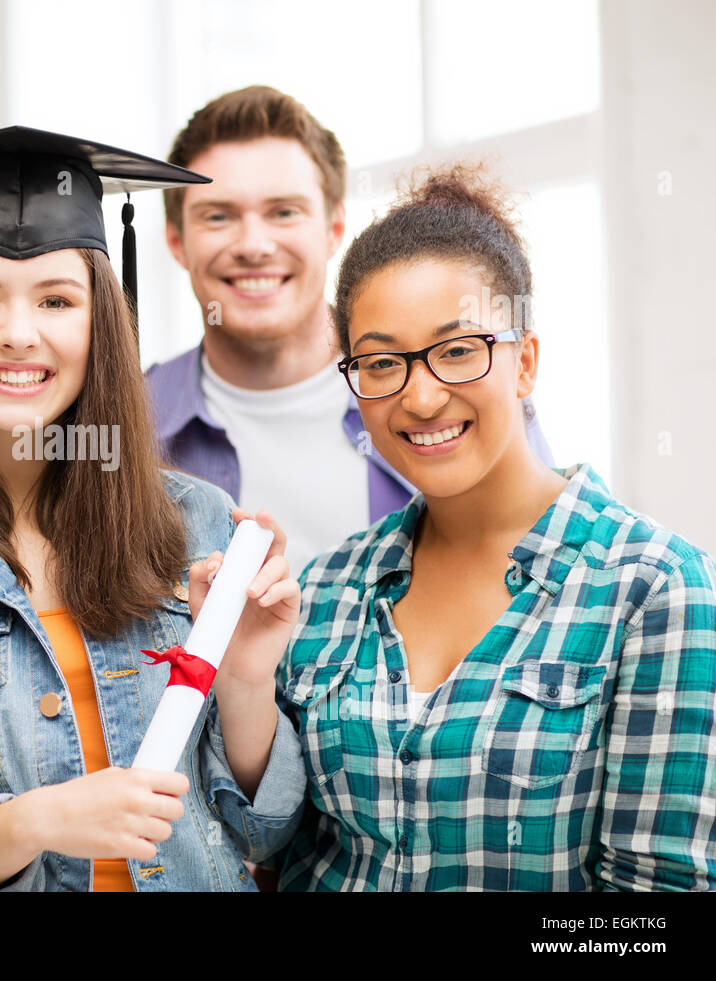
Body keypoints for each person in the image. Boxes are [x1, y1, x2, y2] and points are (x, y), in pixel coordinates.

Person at [0, 127, 307, 891]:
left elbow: (267, 831)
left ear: (100, 324)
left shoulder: (197, 524)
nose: (19, 334)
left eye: (56, 299)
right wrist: (38, 819)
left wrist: (246, 679)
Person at [271, 164, 716, 890]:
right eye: (382, 362)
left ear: (525, 361)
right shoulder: (326, 586)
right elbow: (276, 847)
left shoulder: (655, 588)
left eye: (456, 350)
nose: (420, 396)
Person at [146, 85, 553, 576]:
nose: (253, 245)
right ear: (176, 240)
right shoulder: (130, 422)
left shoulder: (459, 396)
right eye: (218, 216)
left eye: (284, 212)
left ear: (334, 228)